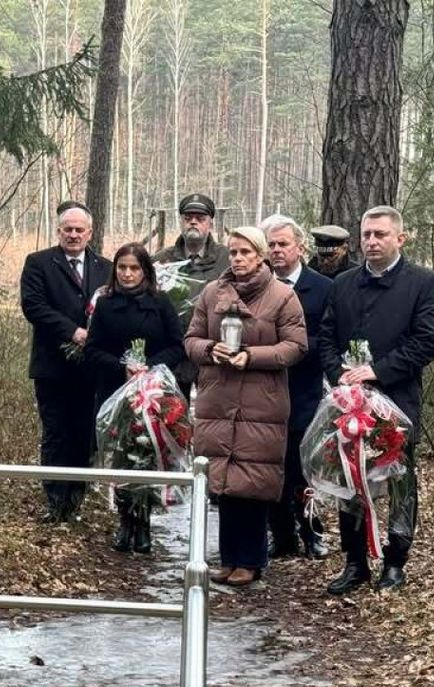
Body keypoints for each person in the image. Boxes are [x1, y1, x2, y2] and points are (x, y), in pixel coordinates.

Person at [319, 206, 434, 595]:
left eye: (380, 235)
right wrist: (339, 374)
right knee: (350, 477)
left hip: (397, 402)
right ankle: (355, 562)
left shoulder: (422, 282)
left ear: (400, 239)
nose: (371, 242)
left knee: (400, 484)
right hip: (348, 405)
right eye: (367, 234)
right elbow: (325, 338)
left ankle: (394, 561)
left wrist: (378, 372)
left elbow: (426, 342)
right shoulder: (342, 284)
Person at [184, 226, 307, 586]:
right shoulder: (212, 293)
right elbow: (191, 338)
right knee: (224, 481)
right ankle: (229, 558)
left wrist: (251, 356)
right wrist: (210, 350)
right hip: (218, 400)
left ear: (260, 256)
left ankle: (251, 560)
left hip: (260, 403)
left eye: (245, 253)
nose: (237, 259)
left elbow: (295, 346)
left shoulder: (282, 296)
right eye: (233, 253)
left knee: (253, 481)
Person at [84, 243, 184, 553]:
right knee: (121, 457)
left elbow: (177, 346)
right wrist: (121, 366)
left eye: (134, 268)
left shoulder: (161, 302)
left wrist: (149, 368)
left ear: (145, 271)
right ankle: (125, 522)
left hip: (153, 394)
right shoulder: (105, 304)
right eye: (122, 268)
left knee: (148, 457)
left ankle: (144, 525)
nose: (127, 274)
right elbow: (92, 349)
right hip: (116, 392)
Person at [21, 205, 113, 523]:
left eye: (79, 230)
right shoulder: (39, 263)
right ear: (58, 230)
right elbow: (33, 306)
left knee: (85, 434)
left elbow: (113, 309)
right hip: (53, 367)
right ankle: (55, 500)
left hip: (92, 369)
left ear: (90, 232)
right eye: (67, 229)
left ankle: (76, 498)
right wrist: (72, 332)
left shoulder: (105, 267)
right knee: (56, 433)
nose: (73, 235)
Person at [261, 215, 332, 560]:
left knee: (303, 468)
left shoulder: (322, 288)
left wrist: (294, 347)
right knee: (272, 467)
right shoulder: (258, 284)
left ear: (299, 248)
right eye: (271, 244)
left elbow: (329, 337)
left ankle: (313, 532)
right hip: (265, 391)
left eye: (282, 244)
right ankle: (281, 535)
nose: (276, 250)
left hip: (305, 390)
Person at [154, 193, 231, 397]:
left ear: (211, 224)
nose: (193, 222)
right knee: (172, 419)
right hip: (173, 352)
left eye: (200, 218)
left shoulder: (228, 259)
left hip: (212, 351)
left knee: (213, 418)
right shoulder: (162, 261)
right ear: (181, 221)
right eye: (188, 218)